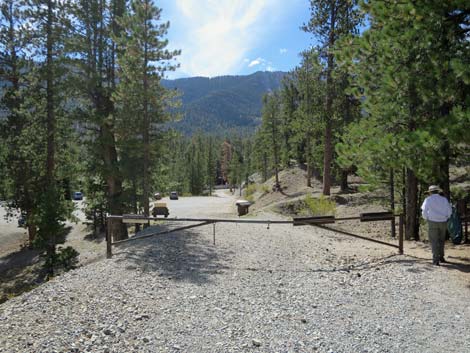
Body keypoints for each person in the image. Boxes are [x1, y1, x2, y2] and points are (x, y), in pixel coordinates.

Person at [421, 185, 452, 266]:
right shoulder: (444, 199)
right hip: (443, 221)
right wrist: (447, 217)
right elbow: (449, 210)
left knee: (434, 241)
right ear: (438, 191)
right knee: (441, 240)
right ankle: (441, 257)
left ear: (430, 192)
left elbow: (424, 211)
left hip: (432, 221)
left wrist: (426, 218)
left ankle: (436, 260)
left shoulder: (428, 199)